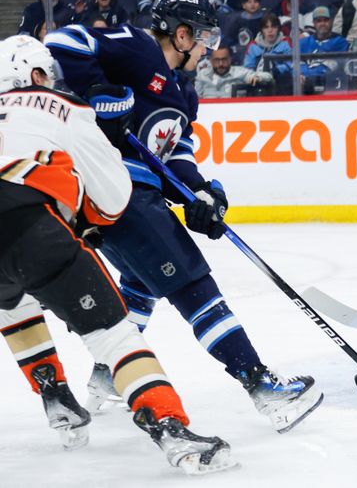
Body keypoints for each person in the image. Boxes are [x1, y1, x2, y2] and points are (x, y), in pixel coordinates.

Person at [44, 0, 323, 432]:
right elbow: (64, 43)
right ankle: (262, 387)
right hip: (121, 192)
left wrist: (200, 194)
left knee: (141, 282)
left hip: (128, 198)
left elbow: (175, 154)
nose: (208, 48)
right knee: (195, 286)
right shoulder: (137, 46)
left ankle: (106, 378)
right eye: (204, 38)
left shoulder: (182, 93)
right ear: (180, 34)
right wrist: (96, 90)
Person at [0, 35, 233, 474]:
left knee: (11, 299)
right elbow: (112, 200)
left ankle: (53, 391)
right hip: (26, 220)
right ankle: (169, 426)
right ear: (34, 76)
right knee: (113, 333)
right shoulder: (63, 107)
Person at [299, 6, 349, 95]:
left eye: (325, 20)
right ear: (313, 23)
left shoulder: (340, 42)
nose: (322, 23)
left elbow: (334, 65)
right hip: (305, 85)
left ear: (331, 21)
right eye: (319, 21)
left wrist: (308, 76)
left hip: (330, 85)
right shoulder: (303, 42)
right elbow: (294, 62)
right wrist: (301, 73)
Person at [195, 45, 272, 97]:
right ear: (211, 61)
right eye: (217, 60)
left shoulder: (240, 72)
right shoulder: (203, 75)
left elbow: (268, 76)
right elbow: (195, 97)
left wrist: (257, 77)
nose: (221, 64)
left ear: (230, 59)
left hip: (234, 115)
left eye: (224, 59)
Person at [244, 12, 292, 93]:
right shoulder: (252, 45)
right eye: (266, 27)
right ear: (261, 30)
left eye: (273, 27)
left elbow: (291, 63)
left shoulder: (286, 42)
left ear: (278, 28)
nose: (270, 30)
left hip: (279, 82)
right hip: (256, 82)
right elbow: (247, 67)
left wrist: (276, 70)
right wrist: (254, 76)